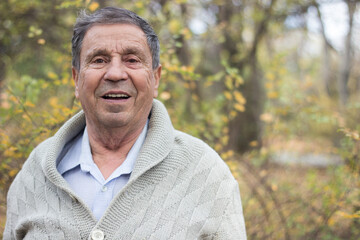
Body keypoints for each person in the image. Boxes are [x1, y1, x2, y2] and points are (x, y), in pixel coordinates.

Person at [4, 7, 246, 240]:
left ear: (155, 78)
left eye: (132, 59)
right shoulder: (35, 173)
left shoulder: (206, 173)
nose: (116, 74)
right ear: (77, 80)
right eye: (99, 60)